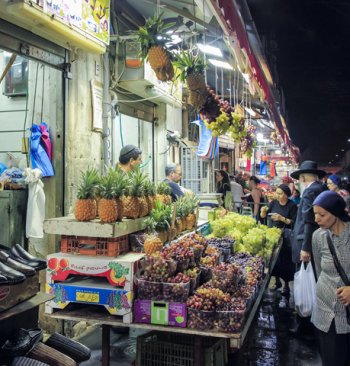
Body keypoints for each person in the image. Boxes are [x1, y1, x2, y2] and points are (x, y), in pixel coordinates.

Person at [312, 190, 350, 366]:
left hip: (347, 314)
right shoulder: (318, 237)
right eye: (315, 214)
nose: (317, 219)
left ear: (335, 213)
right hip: (325, 312)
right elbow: (318, 269)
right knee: (330, 359)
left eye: (322, 214)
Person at [289, 160, 326, 337]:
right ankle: (312, 322)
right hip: (316, 243)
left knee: (305, 282)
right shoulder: (321, 189)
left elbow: (308, 220)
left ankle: (305, 325)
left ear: (303, 178)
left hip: (307, 243)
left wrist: (305, 247)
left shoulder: (310, 191)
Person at [260, 184, 297, 295]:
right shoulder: (274, 203)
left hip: (286, 236)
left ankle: (286, 285)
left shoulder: (292, 206)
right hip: (274, 235)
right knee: (274, 261)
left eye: (280, 193)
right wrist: (263, 212)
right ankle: (277, 282)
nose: (277, 195)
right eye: (277, 193)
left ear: (286, 195)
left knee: (285, 261)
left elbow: (294, 222)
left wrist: (282, 218)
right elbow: (263, 216)